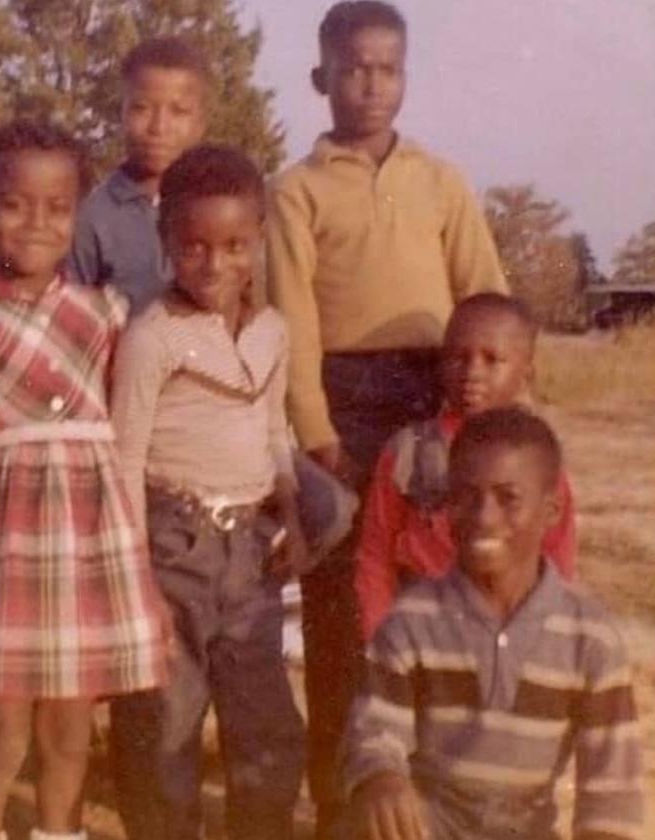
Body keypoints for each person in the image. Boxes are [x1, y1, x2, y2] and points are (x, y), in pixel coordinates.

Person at [264, 4, 509, 832]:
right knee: (343, 611)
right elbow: (292, 319)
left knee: (440, 596)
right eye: (353, 69)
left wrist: (498, 407)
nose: (370, 85)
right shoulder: (294, 192)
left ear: (404, 76)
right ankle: (343, 802)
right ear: (321, 78)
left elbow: (485, 292)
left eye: (387, 69)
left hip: (439, 396)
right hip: (347, 407)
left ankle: (439, 795)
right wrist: (317, 431)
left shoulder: (440, 181)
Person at [0, 120, 168, 840]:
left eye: (57, 208)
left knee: (69, 733)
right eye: (14, 204)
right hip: (2, 548)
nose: (36, 223)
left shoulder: (105, 314)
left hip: (86, 544)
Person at [108, 145, 312, 840]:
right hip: (172, 547)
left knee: (266, 723)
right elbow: (125, 459)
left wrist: (292, 517)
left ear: (258, 238)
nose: (214, 264)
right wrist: (137, 582)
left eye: (233, 246)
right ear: (166, 239)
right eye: (193, 246)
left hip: (249, 551)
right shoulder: (152, 338)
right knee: (165, 724)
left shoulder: (271, 332)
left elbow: (275, 428)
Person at [342, 407, 645, 840]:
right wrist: (380, 779)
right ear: (447, 505)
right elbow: (375, 731)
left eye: (508, 498)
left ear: (552, 510)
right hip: (431, 825)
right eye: (467, 496)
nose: (484, 517)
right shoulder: (411, 622)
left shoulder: (590, 638)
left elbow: (612, 793)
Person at [355, 293, 578, 641]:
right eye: (458, 358)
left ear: (526, 371)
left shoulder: (537, 457)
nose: (472, 373)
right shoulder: (409, 451)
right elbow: (375, 555)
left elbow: (559, 556)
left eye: (492, 360)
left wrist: (549, 640)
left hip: (510, 630)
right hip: (424, 630)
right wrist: (380, 637)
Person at [71, 36, 209, 316]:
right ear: (121, 113)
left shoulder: (217, 210)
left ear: (200, 123)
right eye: (141, 108)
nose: (159, 127)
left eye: (178, 111)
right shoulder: (91, 218)